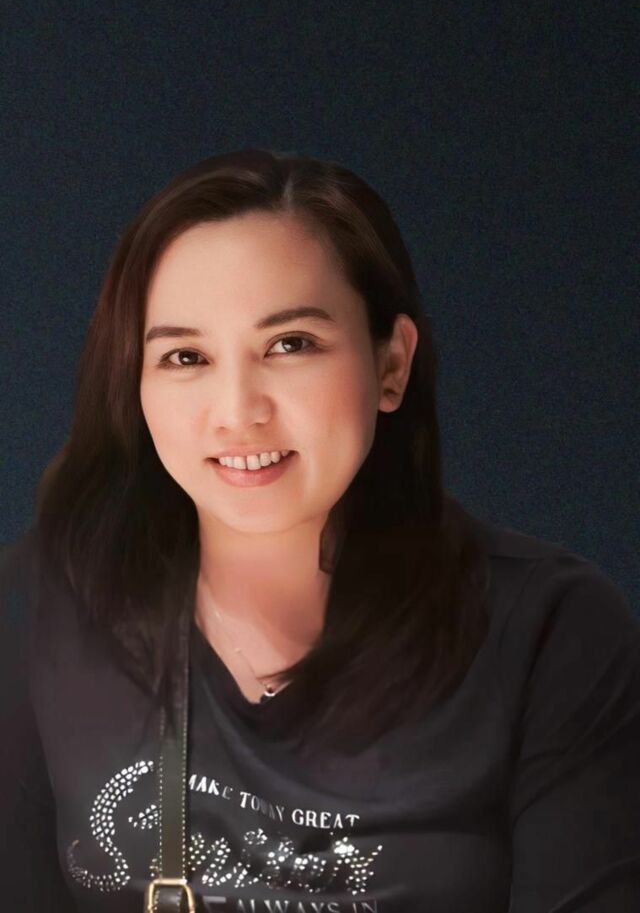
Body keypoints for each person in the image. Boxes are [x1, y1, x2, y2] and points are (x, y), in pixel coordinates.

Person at [1, 149, 639, 913]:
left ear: (391, 365)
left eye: (290, 344)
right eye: (185, 356)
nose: (237, 411)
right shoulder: (41, 605)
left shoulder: (553, 634)